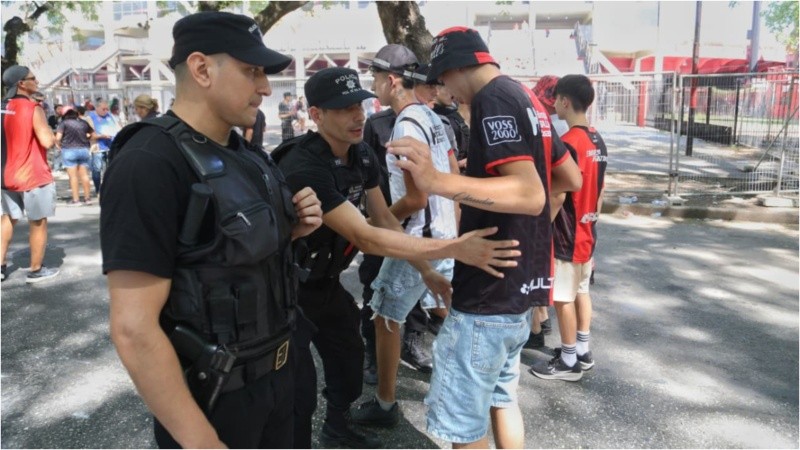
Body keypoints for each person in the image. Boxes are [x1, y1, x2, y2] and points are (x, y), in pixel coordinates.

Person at [100, 11, 323, 448]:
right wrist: (201, 442)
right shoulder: (147, 163)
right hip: (214, 401)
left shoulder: (248, 154)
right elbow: (133, 327)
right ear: (201, 69)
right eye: (252, 70)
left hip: (282, 377)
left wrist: (292, 229)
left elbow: (227, 257)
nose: (264, 87)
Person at [274, 66, 521, 449]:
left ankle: (336, 429)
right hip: (285, 288)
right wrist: (452, 248)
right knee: (297, 386)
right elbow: (365, 237)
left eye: (360, 104)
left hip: (325, 283)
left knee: (349, 359)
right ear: (318, 115)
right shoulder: (303, 165)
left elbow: (385, 220)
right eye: (344, 108)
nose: (358, 115)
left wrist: (426, 272)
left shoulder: (361, 155)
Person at [387, 27, 582, 448]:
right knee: (502, 399)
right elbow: (568, 176)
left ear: (457, 67)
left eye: (443, 80)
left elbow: (530, 193)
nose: (446, 92)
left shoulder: (493, 99)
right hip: (519, 287)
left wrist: (438, 180)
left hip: (488, 292)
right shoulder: (526, 97)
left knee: (464, 424)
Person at [350, 45, 458, 429]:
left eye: (376, 77)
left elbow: (415, 197)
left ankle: (384, 403)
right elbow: (450, 181)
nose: (373, 85)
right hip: (445, 234)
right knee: (446, 310)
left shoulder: (406, 125)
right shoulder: (433, 118)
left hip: (417, 237)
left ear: (391, 81)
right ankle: (454, 389)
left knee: (385, 317)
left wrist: (377, 222)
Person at [529, 74, 607, 382]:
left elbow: (559, 194)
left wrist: (537, 230)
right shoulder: (597, 139)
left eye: (556, 100)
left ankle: (569, 359)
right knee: (582, 290)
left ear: (563, 101)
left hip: (567, 232)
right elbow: (600, 189)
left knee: (562, 297)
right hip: (588, 230)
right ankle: (583, 352)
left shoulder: (568, 143)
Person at [1, 65, 59, 283]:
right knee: (38, 222)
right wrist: (51, 135)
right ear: (21, 84)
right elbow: (46, 141)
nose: (37, 80)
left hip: (5, 174)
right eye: (32, 78)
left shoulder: (1, 106)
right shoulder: (33, 108)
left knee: (7, 219)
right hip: (32, 175)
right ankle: (36, 270)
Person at [55, 107, 99, 205]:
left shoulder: (64, 123)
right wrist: (87, 138)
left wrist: (58, 145)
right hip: (84, 149)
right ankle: (87, 199)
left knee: (73, 177)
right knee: (84, 175)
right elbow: (93, 135)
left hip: (69, 150)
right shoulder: (83, 123)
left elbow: (58, 137)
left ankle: (76, 200)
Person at [431, 82, 470, 173]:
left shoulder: (453, 113)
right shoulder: (432, 117)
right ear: (435, 88)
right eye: (449, 86)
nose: (453, 92)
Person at [88, 101, 120, 195]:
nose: (105, 111)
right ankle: (98, 188)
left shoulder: (110, 116)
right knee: (97, 169)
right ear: (97, 108)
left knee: (109, 169)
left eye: (107, 109)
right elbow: (89, 135)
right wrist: (101, 136)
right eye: (103, 109)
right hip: (98, 147)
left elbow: (118, 128)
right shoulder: (90, 118)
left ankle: (108, 188)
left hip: (110, 146)